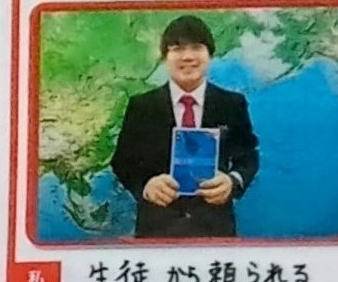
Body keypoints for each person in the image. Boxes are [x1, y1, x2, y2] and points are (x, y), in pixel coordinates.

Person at [105, 14, 258, 240]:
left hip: (215, 230)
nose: (187, 56)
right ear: (165, 57)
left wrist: (232, 181)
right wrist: (146, 187)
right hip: (156, 230)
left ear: (210, 54)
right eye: (177, 49)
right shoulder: (142, 107)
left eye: (196, 47)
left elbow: (248, 156)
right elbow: (123, 162)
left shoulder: (231, 104)